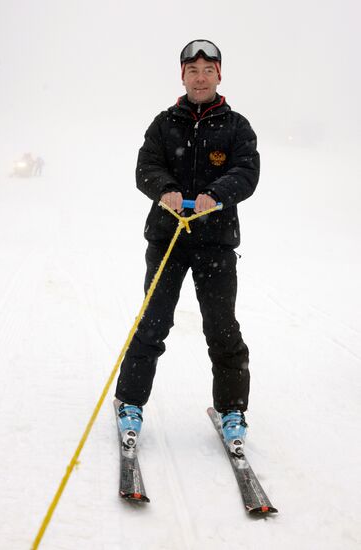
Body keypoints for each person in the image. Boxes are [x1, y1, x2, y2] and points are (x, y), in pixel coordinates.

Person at [114, 39, 260, 457]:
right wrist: (167, 190)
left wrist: (217, 193)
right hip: (169, 238)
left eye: (208, 70)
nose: (200, 77)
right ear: (182, 76)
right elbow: (147, 167)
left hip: (215, 242)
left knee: (221, 326)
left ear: (219, 75)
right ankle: (130, 403)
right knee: (153, 322)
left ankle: (232, 410)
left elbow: (247, 171)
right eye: (192, 70)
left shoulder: (236, 126)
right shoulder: (164, 123)